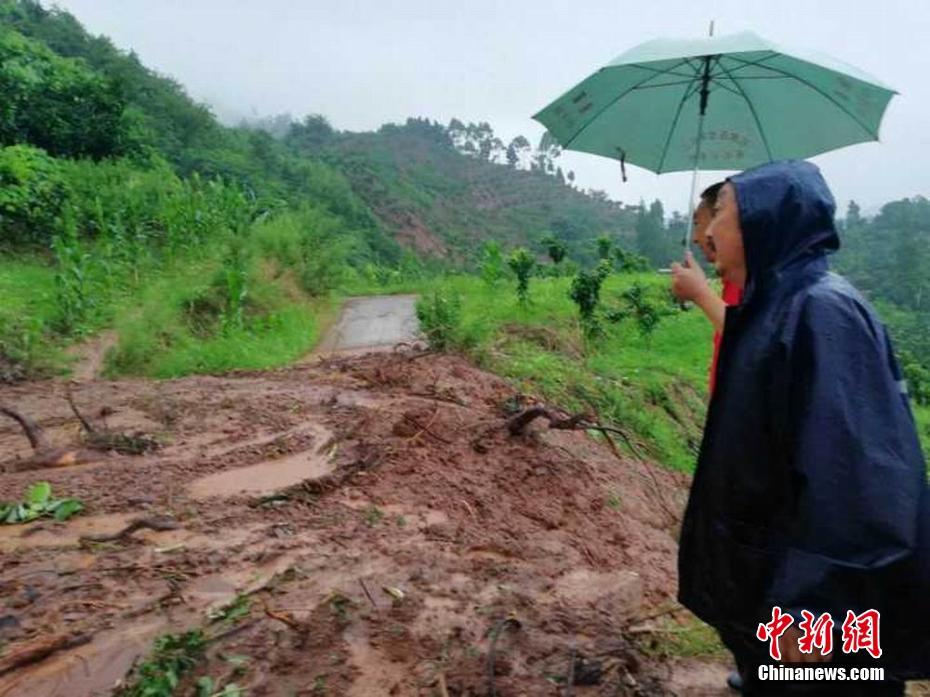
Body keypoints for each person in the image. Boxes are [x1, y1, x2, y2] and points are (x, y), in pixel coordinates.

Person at [677, 160, 930, 695]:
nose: (706, 231)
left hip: (818, 599)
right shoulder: (775, 306)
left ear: (767, 220)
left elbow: (855, 477)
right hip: (772, 567)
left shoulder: (821, 312)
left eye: (719, 213)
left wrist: (811, 599)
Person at [670, 182, 743, 394]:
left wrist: (700, 292)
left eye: (698, 224)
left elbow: (749, 338)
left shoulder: (755, 282)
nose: (697, 236)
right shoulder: (731, 281)